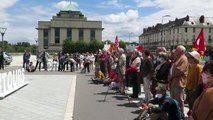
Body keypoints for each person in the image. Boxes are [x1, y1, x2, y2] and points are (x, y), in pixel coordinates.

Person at [169, 45, 188, 116]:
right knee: (173, 100)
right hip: (174, 82)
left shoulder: (184, 59)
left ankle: (180, 115)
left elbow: (180, 70)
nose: (175, 51)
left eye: (177, 50)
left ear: (182, 51)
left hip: (179, 82)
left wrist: (171, 76)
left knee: (179, 100)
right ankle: (175, 114)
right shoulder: (178, 58)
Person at [185, 51, 203, 117]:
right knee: (190, 106)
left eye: (190, 57)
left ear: (195, 59)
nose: (188, 59)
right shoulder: (190, 66)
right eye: (188, 57)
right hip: (188, 88)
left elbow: (198, 81)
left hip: (194, 90)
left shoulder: (198, 67)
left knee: (194, 106)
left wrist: (195, 90)